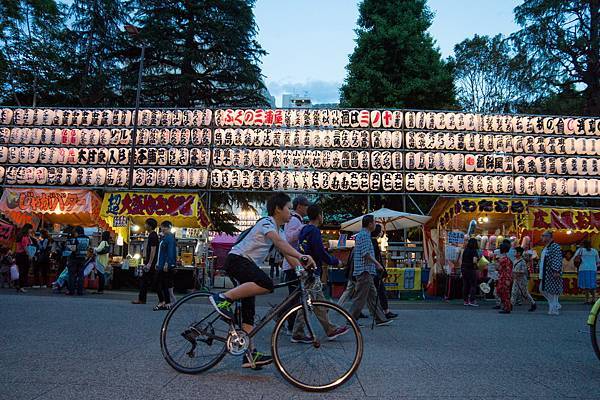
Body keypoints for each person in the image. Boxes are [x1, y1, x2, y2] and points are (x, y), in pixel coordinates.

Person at [209, 192, 316, 369]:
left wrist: (301, 271)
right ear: (277, 209)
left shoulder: (280, 230)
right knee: (266, 284)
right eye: (288, 209)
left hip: (247, 266)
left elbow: (287, 253)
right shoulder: (266, 223)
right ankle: (222, 298)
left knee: (248, 312)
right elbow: (280, 244)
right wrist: (302, 256)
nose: (290, 212)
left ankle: (249, 355)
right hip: (238, 260)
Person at [290, 204, 350, 343]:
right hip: (312, 270)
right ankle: (328, 330)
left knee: (312, 302)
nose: (322, 217)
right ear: (318, 216)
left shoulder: (304, 229)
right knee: (315, 302)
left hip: (303, 268)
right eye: (322, 214)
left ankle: (300, 331)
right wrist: (336, 262)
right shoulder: (315, 231)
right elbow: (319, 252)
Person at [349, 215, 391, 326]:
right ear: (370, 224)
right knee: (360, 297)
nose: (375, 224)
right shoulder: (364, 235)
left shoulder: (364, 235)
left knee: (372, 296)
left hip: (366, 271)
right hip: (364, 271)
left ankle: (380, 318)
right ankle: (351, 319)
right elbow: (366, 254)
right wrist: (377, 264)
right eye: (374, 222)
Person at [279, 195, 309, 334]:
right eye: (306, 205)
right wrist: (302, 228)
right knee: (295, 297)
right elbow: (289, 238)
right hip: (292, 264)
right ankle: (290, 324)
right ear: (299, 206)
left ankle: (283, 318)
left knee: (294, 296)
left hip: (294, 263)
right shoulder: (295, 220)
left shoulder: (298, 220)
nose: (307, 208)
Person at [371, 224, 397, 319]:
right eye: (381, 231)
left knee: (370, 294)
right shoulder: (373, 242)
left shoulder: (372, 241)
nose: (382, 232)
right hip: (374, 271)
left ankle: (381, 313)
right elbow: (373, 256)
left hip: (372, 270)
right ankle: (385, 312)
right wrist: (378, 265)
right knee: (380, 291)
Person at [133, 218, 159, 305]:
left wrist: (150, 263)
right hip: (151, 262)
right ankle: (143, 299)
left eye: (146, 224)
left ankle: (142, 299)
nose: (144, 225)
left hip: (151, 262)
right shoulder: (152, 235)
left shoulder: (153, 236)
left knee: (146, 281)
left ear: (150, 226)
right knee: (149, 281)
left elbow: (153, 250)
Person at [154, 220, 177, 311]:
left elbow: (170, 251)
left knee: (159, 283)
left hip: (165, 265)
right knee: (163, 284)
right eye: (162, 227)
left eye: (164, 227)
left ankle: (164, 302)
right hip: (161, 264)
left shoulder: (169, 238)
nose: (162, 229)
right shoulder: (166, 237)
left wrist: (167, 263)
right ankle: (165, 302)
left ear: (169, 228)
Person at [539, 231, 563, 315]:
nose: (542, 237)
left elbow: (557, 258)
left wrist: (556, 270)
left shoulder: (555, 246)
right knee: (543, 289)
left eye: (543, 236)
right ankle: (555, 305)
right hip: (545, 272)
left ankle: (553, 309)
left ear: (549, 237)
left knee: (552, 291)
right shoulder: (546, 247)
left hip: (551, 272)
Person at [66, 226, 90, 296]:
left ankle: (71, 291)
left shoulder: (75, 238)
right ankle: (80, 291)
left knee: (72, 275)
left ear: (77, 232)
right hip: (82, 258)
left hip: (73, 258)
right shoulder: (87, 238)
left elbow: (72, 249)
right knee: (81, 275)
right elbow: (88, 247)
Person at [511, 247, 536, 312]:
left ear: (519, 253)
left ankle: (533, 303)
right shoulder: (515, 260)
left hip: (521, 280)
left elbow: (523, 271)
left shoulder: (522, 261)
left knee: (525, 293)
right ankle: (510, 306)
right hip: (516, 279)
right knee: (514, 292)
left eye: (515, 252)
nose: (514, 253)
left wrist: (515, 274)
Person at [574, 240, 599, 304]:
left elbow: (574, 258)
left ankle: (587, 299)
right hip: (593, 269)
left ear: (583, 244)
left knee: (586, 285)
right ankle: (594, 299)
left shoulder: (580, 250)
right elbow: (598, 261)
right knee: (592, 285)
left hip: (583, 268)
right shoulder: (594, 251)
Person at [15, 223, 34, 293]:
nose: (31, 230)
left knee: (20, 271)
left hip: (18, 255)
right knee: (24, 271)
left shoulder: (19, 235)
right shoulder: (25, 237)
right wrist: (29, 255)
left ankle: (18, 285)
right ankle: (21, 287)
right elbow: (25, 247)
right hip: (23, 255)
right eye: (31, 229)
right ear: (28, 229)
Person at [461, 237, 480, 307]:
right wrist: (477, 266)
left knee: (465, 284)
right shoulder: (474, 251)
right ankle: (472, 300)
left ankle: (465, 301)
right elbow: (474, 261)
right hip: (471, 269)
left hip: (463, 268)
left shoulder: (465, 250)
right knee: (473, 285)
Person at [496, 242, 513, 314]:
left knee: (502, 292)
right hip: (507, 277)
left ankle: (507, 307)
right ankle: (507, 306)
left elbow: (498, 268)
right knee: (504, 292)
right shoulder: (507, 258)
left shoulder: (503, 259)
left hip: (503, 277)